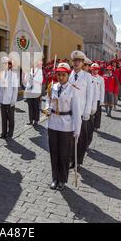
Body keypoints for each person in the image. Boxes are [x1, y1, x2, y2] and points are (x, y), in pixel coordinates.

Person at [43, 63, 81, 191]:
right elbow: (48, 101)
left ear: (68, 75)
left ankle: (62, 179)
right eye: (58, 74)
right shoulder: (52, 87)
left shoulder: (73, 89)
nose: (60, 77)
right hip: (53, 123)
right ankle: (55, 178)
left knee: (64, 154)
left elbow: (76, 111)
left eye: (63, 75)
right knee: (54, 153)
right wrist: (47, 108)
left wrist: (77, 130)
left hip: (66, 125)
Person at [68, 50, 93, 169]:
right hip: (69, 111)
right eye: (75, 60)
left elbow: (90, 95)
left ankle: (78, 161)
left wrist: (87, 111)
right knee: (70, 137)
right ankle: (71, 159)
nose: (77, 63)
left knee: (81, 138)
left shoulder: (87, 76)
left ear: (83, 63)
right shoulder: (69, 75)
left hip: (82, 112)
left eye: (79, 61)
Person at [0, 57, 19, 140]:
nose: (5, 65)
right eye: (3, 64)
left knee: (11, 118)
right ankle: (3, 133)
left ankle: (10, 134)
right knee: (3, 117)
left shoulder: (13, 75)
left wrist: (13, 100)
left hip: (10, 100)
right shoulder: (0, 74)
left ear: (10, 65)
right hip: (2, 99)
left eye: (7, 63)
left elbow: (15, 89)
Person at [23, 60, 44, 126]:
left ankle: (36, 120)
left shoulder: (39, 71)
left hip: (36, 91)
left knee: (36, 106)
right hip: (29, 91)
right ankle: (31, 120)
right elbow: (25, 80)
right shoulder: (28, 71)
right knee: (30, 106)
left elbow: (41, 80)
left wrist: (34, 81)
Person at [91, 63, 105, 131]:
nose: (94, 71)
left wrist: (102, 101)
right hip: (90, 99)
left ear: (98, 70)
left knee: (97, 114)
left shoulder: (101, 79)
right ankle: (90, 125)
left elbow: (102, 90)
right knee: (90, 113)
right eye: (93, 69)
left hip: (97, 99)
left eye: (96, 70)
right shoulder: (88, 77)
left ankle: (96, 126)